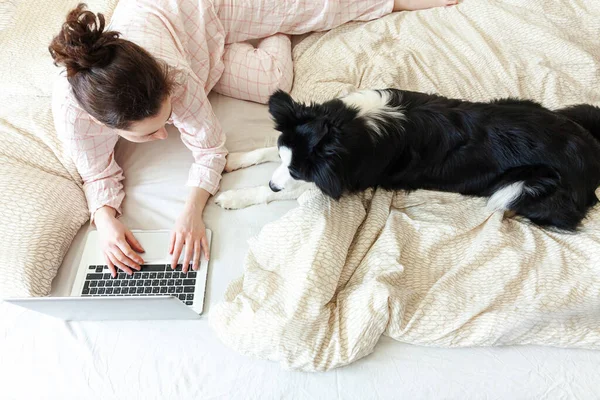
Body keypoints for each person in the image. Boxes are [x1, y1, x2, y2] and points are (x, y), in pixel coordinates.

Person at [50, 0, 455, 277]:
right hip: (189, 46)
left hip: (202, 13)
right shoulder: (74, 115)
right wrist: (105, 219)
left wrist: (191, 209)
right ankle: (243, 41)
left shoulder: (173, 78)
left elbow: (210, 148)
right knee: (270, 77)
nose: (163, 135)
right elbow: (96, 173)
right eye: (149, 134)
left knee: (306, 11)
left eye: (166, 121)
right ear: (106, 125)